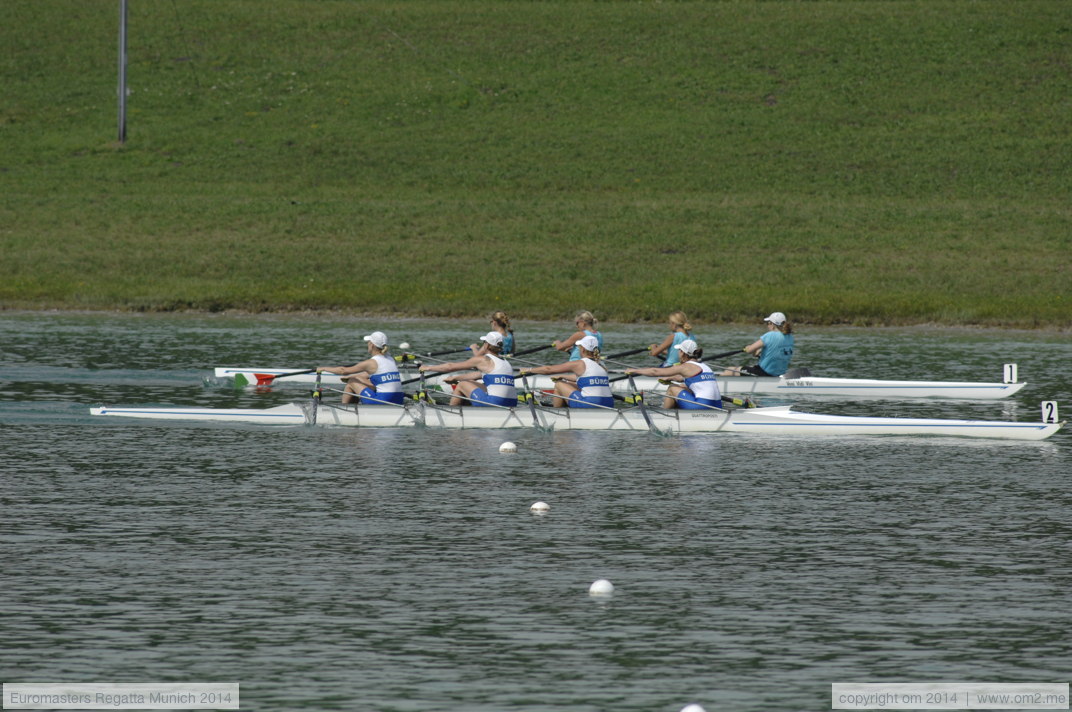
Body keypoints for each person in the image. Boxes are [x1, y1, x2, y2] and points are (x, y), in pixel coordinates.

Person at [420, 331, 517, 407]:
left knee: (462, 385)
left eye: (484, 343)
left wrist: (428, 367)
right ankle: (467, 408)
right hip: (512, 402)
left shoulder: (482, 360)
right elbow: (477, 375)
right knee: (470, 382)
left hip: (496, 402)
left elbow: (450, 367)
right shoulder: (505, 362)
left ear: (486, 345)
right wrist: (455, 378)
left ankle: (452, 413)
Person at [520, 335, 613, 408]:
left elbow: (549, 369)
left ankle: (557, 414)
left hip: (590, 404)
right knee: (569, 383)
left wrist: (528, 370)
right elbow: (583, 378)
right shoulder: (601, 364)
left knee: (559, 384)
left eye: (579, 348)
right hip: (609, 403)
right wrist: (564, 376)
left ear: (583, 349)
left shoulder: (579, 363)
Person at [627, 339, 721, 409]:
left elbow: (655, 372)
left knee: (672, 388)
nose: (678, 354)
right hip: (717, 406)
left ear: (683, 353)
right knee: (683, 387)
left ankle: (665, 416)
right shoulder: (704, 367)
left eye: (679, 351)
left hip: (702, 406)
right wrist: (670, 378)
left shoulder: (685, 367)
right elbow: (684, 378)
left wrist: (635, 370)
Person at [317, 331, 403, 405]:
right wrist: (354, 376)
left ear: (372, 345)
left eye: (368, 342)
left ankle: (343, 410)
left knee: (352, 382)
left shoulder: (370, 363)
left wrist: (324, 368)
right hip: (399, 400)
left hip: (383, 401)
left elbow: (343, 371)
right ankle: (354, 408)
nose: (367, 344)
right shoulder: (390, 359)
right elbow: (368, 374)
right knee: (360, 379)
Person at [721, 312, 794, 377]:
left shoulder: (770, 335)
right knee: (750, 367)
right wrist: (760, 353)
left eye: (768, 323)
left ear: (772, 324)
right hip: (779, 373)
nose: (767, 325)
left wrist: (748, 347)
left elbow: (749, 350)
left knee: (729, 370)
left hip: (764, 373)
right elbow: (776, 352)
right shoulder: (790, 337)